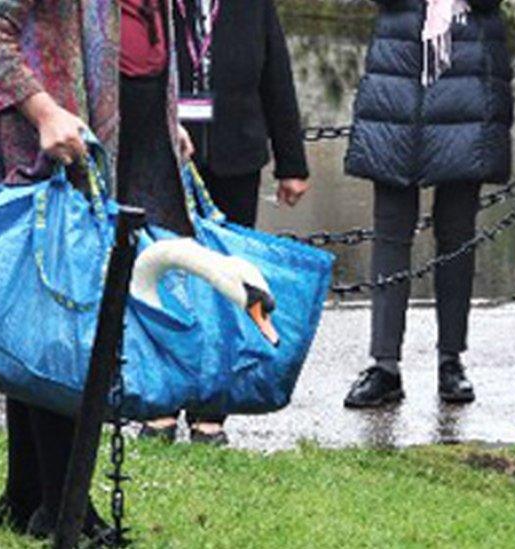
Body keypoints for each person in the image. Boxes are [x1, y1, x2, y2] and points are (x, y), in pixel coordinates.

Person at [0, 0, 193, 540]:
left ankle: (28, 491)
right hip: (51, 155)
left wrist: (163, 125)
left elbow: (134, 47)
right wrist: (43, 110)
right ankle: (64, 505)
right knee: (65, 329)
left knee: (51, 323)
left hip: (112, 148)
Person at [137, 0, 311, 446]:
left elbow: (277, 78)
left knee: (226, 286)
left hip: (237, 155)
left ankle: (210, 410)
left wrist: (292, 162)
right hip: (164, 155)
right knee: (165, 280)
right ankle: (159, 404)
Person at [342, 0, 512, 408]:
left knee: (456, 234)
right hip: (397, 79)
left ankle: (451, 360)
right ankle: (384, 364)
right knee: (390, 231)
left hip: (468, 80)